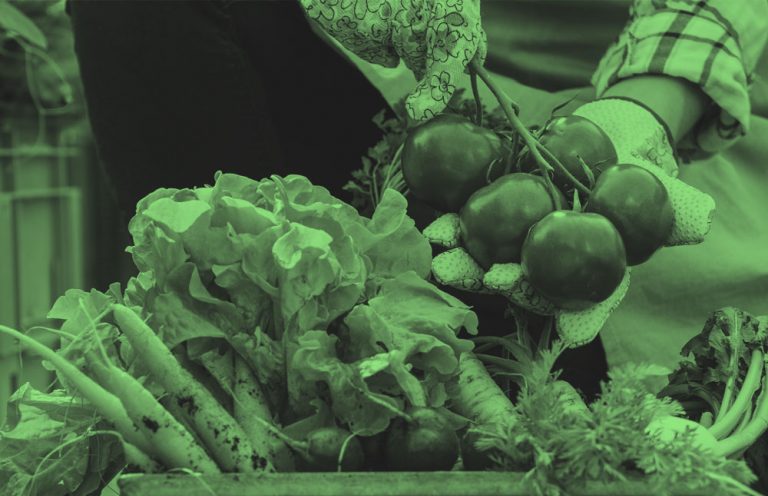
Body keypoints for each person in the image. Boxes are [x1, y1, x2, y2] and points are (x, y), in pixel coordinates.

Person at [66, 0, 768, 398]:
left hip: (654, 123)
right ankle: (250, 403)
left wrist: (644, 117)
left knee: (552, 351)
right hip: (415, 120)